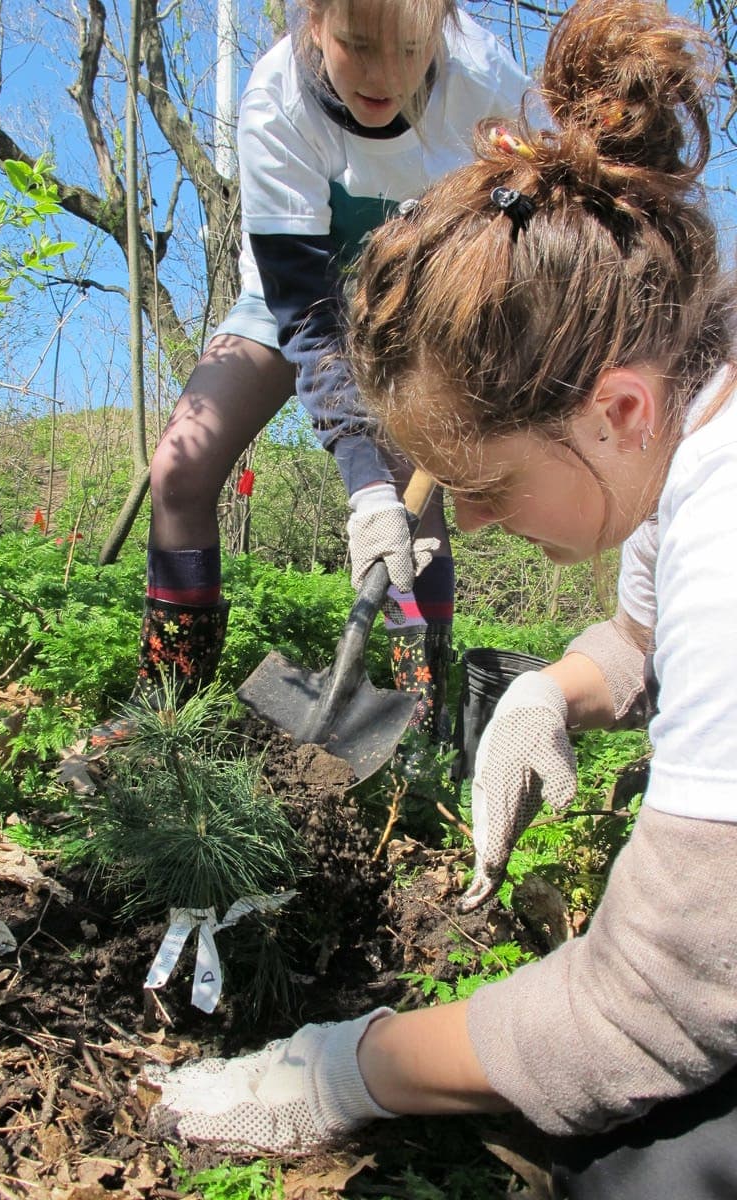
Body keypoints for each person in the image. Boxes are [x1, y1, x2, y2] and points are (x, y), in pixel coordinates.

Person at [138, 1, 737, 1195]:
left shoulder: (720, 516)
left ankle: (406, 725)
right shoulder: (683, 417)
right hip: (340, 310)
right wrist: (551, 699)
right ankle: (170, 709)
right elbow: (638, 638)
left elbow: (654, 1003)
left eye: (488, 483)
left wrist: (346, 1068)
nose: (458, 517)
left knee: (637, 1178)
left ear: (614, 408)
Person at [90, 0, 528, 749]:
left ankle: (414, 732)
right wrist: (362, 485)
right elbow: (307, 315)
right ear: (314, 22)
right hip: (295, 300)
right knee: (179, 471)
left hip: (415, 310)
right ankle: (168, 714)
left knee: (412, 515)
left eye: (410, 50)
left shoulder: (485, 79)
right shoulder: (276, 102)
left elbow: (544, 200)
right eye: (358, 46)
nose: (385, 77)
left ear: (443, 33)